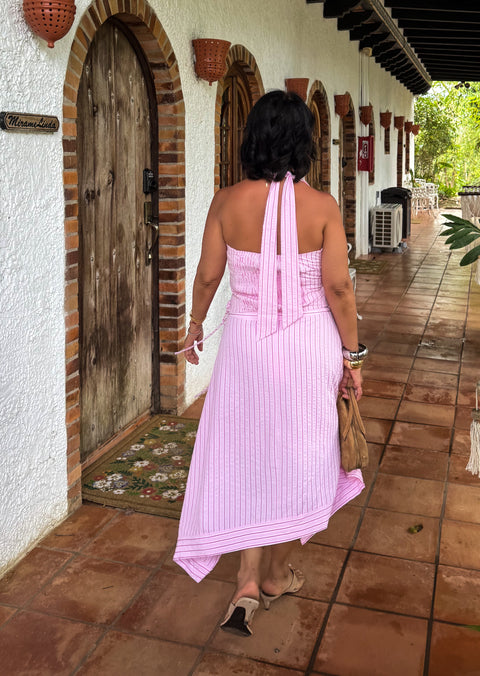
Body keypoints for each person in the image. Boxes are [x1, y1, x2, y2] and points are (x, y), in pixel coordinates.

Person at [174, 90, 366, 636]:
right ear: (303, 143)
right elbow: (338, 288)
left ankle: (245, 582)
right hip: (308, 346)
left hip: (246, 347)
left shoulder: (226, 202)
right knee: (299, 452)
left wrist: (194, 324)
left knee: (247, 452)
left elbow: (208, 276)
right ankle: (278, 574)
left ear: (252, 139)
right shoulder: (322, 207)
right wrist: (354, 356)